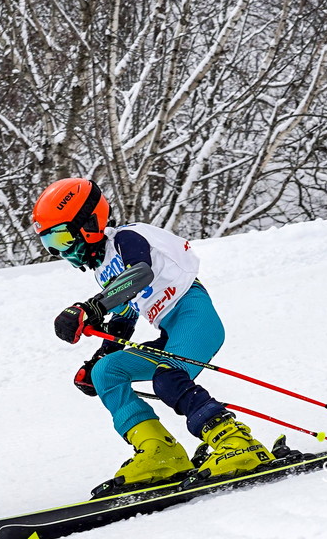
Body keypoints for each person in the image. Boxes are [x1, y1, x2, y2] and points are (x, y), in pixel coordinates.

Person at [31, 177, 274, 495]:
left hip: (194, 316)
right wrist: (98, 360)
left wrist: (90, 308)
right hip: (170, 331)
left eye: (62, 239)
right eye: (52, 246)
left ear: (89, 223)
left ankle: (238, 444)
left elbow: (139, 274)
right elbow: (124, 317)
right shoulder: (105, 266)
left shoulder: (129, 238)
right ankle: (160, 453)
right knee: (108, 372)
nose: (62, 252)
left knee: (168, 378)